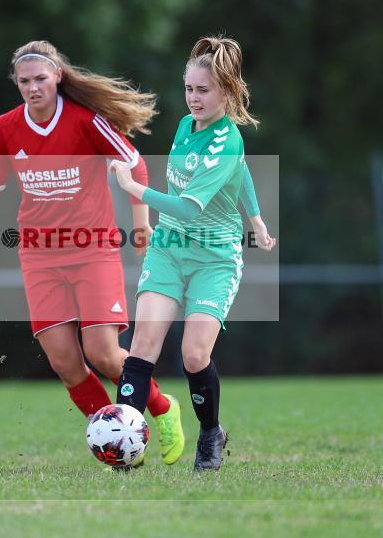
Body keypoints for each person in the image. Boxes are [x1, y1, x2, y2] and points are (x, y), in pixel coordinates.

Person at [0, 40, 185, 465]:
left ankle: (162, 409)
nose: (33, 88)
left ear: (57, 77)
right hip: (39, 254)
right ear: (17, 83)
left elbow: (134, 164)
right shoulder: (6, 127)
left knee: (102, 353)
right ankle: (118, 444)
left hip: (93, 250)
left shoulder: (86, 121)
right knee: (65, 361)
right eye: (25, 81)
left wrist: (141, 225)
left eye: (41, 79)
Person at [110, 36, 276, 471]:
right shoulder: (187, 126)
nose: (194, 98)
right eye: (189, 88)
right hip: (169, 250)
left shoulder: (228, 140)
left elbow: (189, 204)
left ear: (227, 91)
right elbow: (241, 176)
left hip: (215, 259)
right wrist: (256, 218)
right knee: (142, 343)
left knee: (193, 354)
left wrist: (133, 187)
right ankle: (123, 448)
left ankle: (210, 433)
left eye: (203, 90)